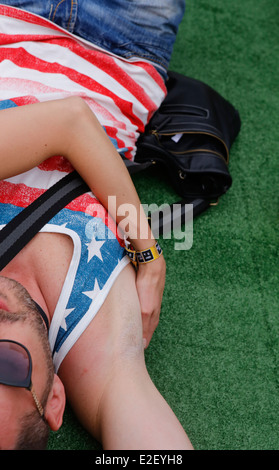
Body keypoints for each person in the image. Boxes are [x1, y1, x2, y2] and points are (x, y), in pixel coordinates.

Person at [0, 1, 194, 450]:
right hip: (131, 36)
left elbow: (70, 122)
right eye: (7, 364)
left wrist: (149, 255)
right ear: (54, 400)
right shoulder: (95, 357)